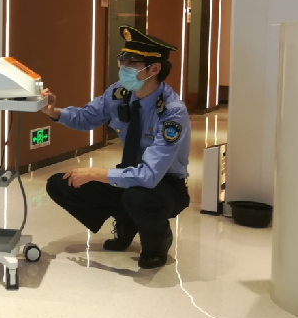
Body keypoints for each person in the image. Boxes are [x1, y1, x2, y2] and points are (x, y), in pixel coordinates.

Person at [42, 25, 191, 269]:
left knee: (136, 196)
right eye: (122, 60)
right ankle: (127, 220)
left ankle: (158, 240)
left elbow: (149, 176)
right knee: (61, 184)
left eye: (132, 63)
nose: (123, 68)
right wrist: (54, 112)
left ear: (154, 69)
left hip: (165, 185)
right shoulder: (118, 93)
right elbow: (86, 118)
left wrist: (97, 173)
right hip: (131, 174)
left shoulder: (172, 112)